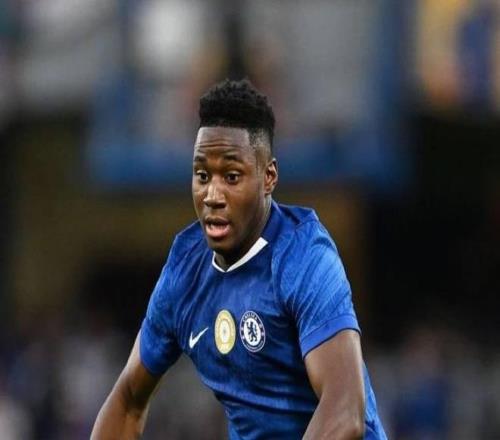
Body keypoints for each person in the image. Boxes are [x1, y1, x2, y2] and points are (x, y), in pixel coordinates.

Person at [91, 79, 387, 439]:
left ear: (268, 177)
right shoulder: (185, 270)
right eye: (202, 176)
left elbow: (344, 412)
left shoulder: (304, 257)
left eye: (232, 176)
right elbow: (127, 400)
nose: (212, 195)